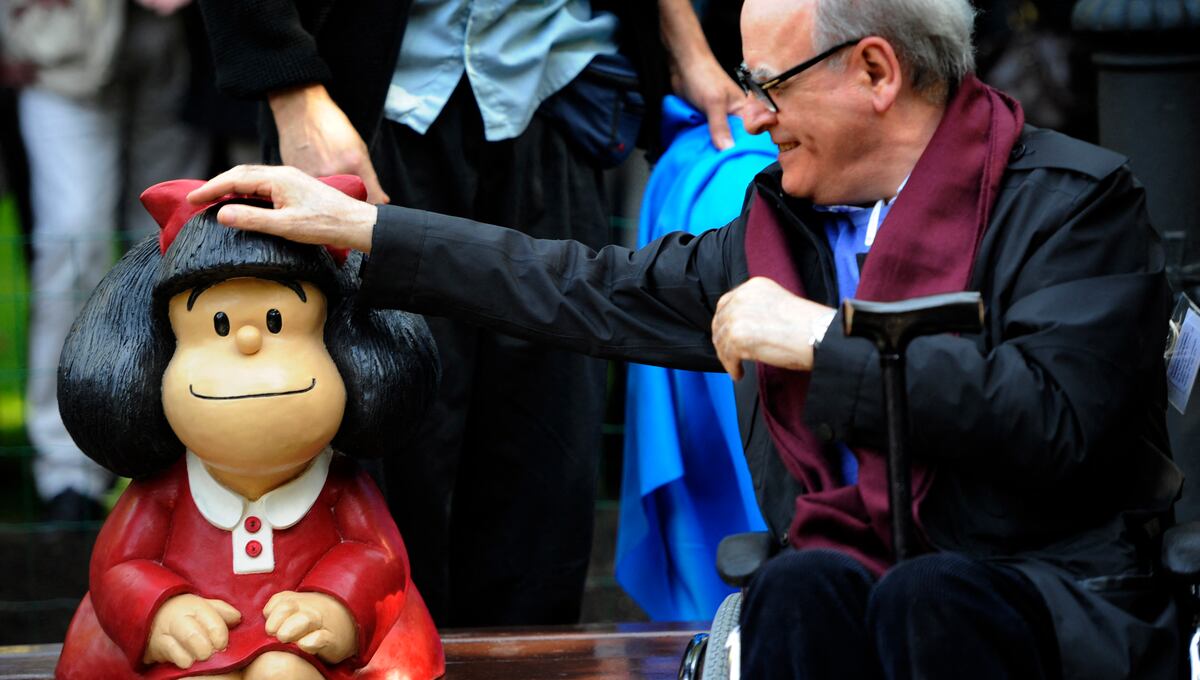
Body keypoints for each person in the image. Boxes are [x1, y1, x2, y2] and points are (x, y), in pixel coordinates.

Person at [189, 0, 1182, 676]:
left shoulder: (1074, 201)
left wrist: (827, 340)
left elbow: (1052, 418)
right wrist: (363, 230)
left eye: (770, 81)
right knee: (800, 584)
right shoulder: (774, 226)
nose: (750, 111)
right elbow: (576, 283)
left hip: (1046, 599)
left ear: (875, 70)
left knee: (926, 595)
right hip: (855, 593)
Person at [194, 0, 743, 627]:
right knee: (377, 460)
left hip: (554, 93)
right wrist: (292, 89)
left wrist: (686, 46)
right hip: (359, 119)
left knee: (546, 468)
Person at [55, 178, 443, 679]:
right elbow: (118, 568)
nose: (247, 340)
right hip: (197, 648)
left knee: (285, 672)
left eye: (277, 320)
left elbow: (377, 557)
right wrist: (159, 610)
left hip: (308, 646)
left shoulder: (338, 487)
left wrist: (337, 606)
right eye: (218, 324)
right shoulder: (166, 492)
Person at [3, 0, 210, 520]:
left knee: (172, 242)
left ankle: (174, 449)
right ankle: (67, 470)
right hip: (60, 46)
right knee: (73, 242)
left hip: (187, 47)